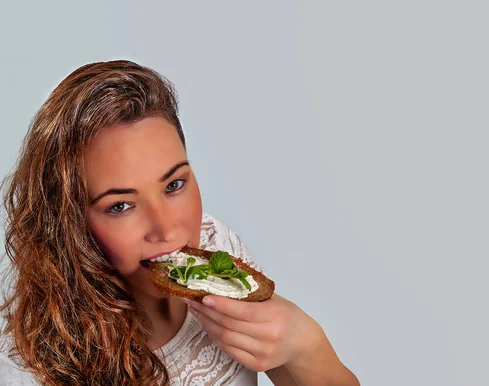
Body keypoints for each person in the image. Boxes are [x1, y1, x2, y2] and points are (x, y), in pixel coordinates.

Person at [0, 60, 359, 385]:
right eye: (121, 205)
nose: (168, 230)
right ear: (68, 221)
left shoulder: (217, 248)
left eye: (174, 185)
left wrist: (306, 346)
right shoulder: (28, 367)